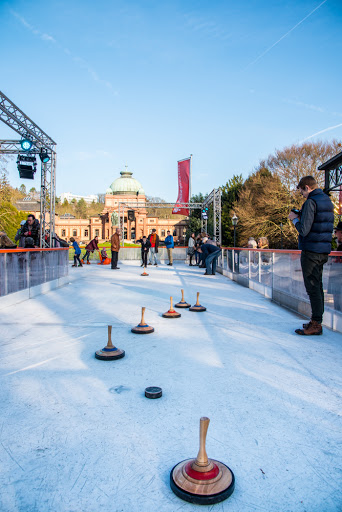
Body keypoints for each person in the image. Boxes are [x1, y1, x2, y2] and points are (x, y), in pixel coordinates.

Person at [289, 176, 334, 335]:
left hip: (311, 250)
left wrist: (295, 220)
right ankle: (316, 320)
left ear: (306, 187)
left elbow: (304, 230)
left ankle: (316, 324)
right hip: (322, 250)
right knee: (318, 285)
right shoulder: (327, 201)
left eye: (301, 191)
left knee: (312, 287)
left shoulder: (310, 202)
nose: (302, 195)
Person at [328, 221, 342, 312]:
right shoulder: (339, 246)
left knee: (338, 307)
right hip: (337, 282)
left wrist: (335, 260)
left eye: (336, 232)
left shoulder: (340, 248)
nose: (335, 234)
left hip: (338, 281)